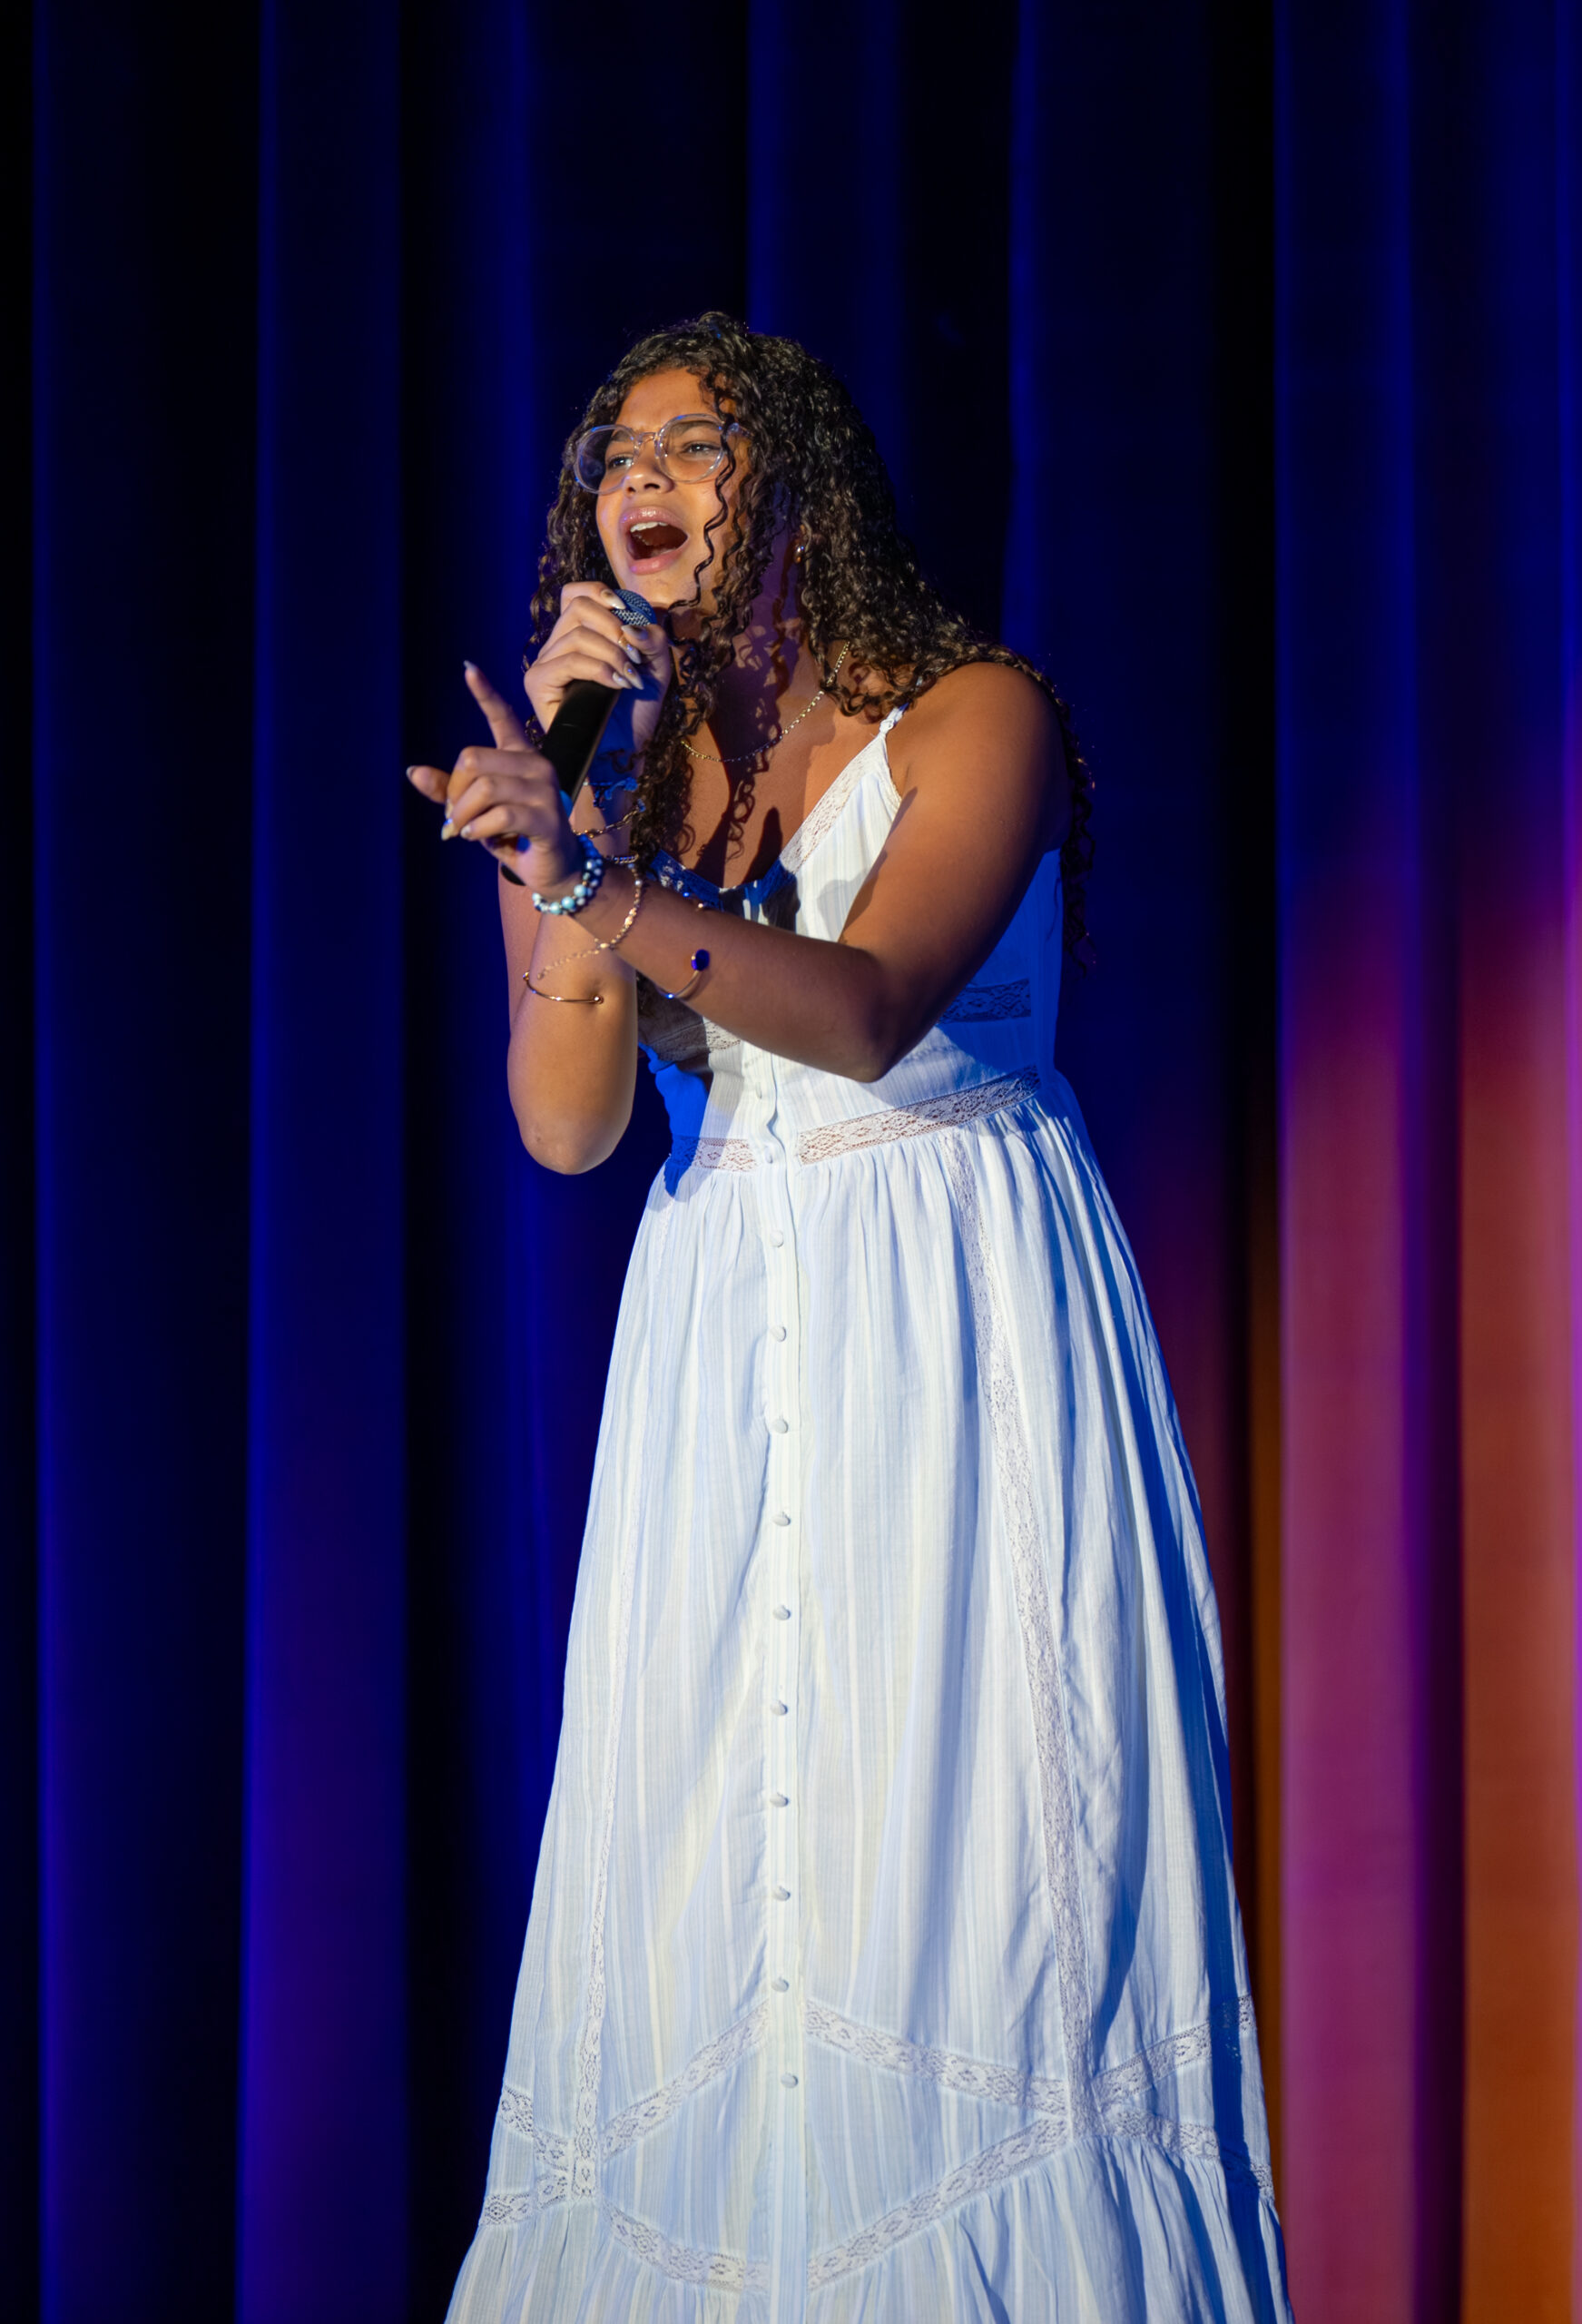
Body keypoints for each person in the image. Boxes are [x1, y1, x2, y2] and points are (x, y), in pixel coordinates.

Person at [408, 312, 1292, 2323]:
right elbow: (566, 1125)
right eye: (611, 450)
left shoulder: (973, 717)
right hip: (726, 1358)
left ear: (794, 485)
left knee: (965, 1905)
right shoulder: (633, 796)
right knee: (718, 1899)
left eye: (696, 439)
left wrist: (598, 884)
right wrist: (550, 825)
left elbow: (871, 1010)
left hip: (948, 1346)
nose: (640, 473)